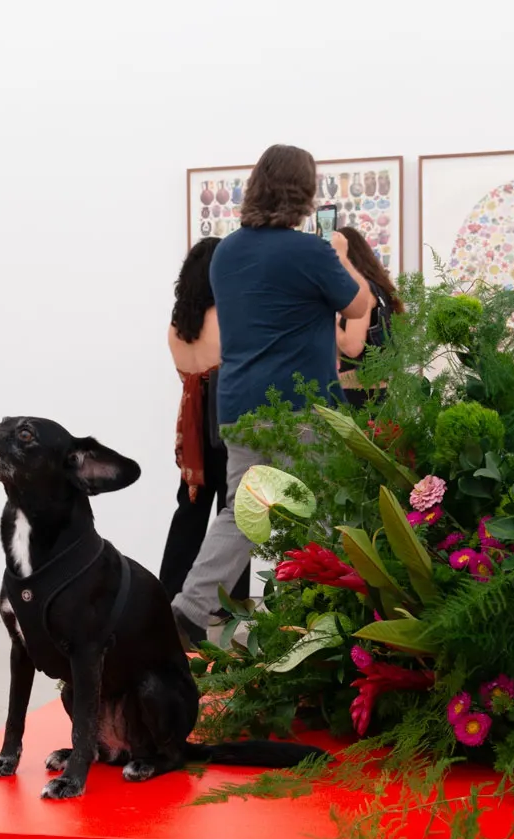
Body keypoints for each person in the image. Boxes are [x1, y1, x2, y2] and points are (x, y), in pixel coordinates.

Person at [170, 143, 372, 648]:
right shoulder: (311, 252)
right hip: (300, 406)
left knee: (241, 511)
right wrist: (342, 256)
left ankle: (190, 610)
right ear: (304, 192)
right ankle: (318, 625)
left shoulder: (230, 251)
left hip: (238, 404)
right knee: (324, 513)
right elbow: (361, 302)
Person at [158, 237, 250, 605]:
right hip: (230, 416)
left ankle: (167, 595)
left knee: (190, 513)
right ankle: (231, 604)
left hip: (193, 429)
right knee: (238, 514)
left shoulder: (178, 325)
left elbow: (189, 378)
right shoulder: (228, 316)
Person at [334, 226, 401, 410]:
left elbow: (353, 347)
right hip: (375, 394)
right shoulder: (380, 291)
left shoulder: (364, 292)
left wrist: (328, 321)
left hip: (360, 397)